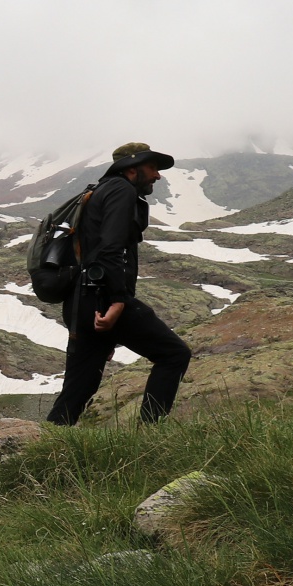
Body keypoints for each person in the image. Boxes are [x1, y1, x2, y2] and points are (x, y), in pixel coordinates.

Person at [45, 142, 191, 426]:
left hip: (81, 302)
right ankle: (150, 433)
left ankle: (48, 440)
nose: (158, 175)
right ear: (132, 169)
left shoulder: (100, 190)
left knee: (78, 388)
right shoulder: (121, 190)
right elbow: (111, 248)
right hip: (102, 299)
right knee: (174, 354)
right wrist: (118, 302)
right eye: (152, 167)